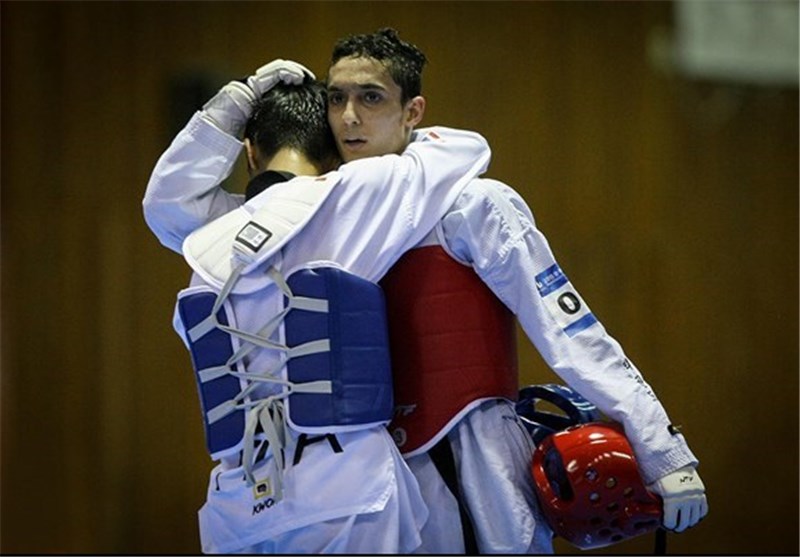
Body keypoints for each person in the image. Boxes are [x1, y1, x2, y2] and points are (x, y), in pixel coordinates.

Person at [324, 28, 708, 554]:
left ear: (412, 112)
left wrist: (662, 448)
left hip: (475, 462)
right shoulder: (323, 218)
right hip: (365, 477)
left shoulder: (473, 205)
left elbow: (569, 329)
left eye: (370, 98)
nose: (349, 117)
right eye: (335, 98)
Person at [143, 60, 491, 553]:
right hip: (345, 489)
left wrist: (235, 101)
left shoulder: (206, 243)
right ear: (334, 158)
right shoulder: (355, 195)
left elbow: (164, 205)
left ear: (248, 153)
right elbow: (466, 149)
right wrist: (371, 137)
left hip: (237, 505)